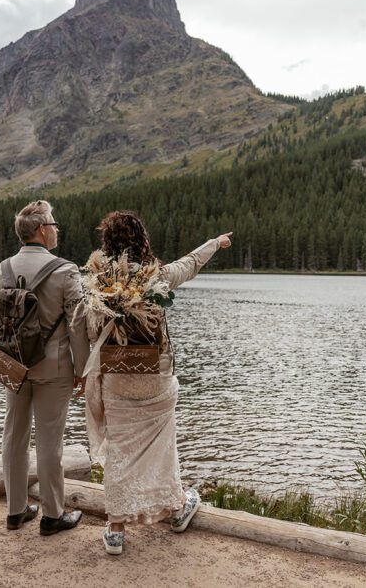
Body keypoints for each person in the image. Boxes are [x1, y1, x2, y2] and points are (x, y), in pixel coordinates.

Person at [82, 210, 232, 555]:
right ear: (142, 240)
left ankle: (116, 529)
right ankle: (177, 510)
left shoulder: (95, 283)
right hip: (156, 379)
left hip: (116, 379)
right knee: (163, 448)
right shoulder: (157, 278)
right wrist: (216, 243)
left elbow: (89, 332)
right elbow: (190, 263)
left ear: (108, 244)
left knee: (120, 450)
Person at [0, 199, 90, 535]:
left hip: (14, 364)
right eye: (54, 225)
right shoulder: (66, 270)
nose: (56, 230)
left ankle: (16, 511)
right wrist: (83, 368)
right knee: (50, 441)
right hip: (54, 367)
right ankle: (52, 515)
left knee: (13, 437)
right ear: (42, 230)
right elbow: (78, 325)